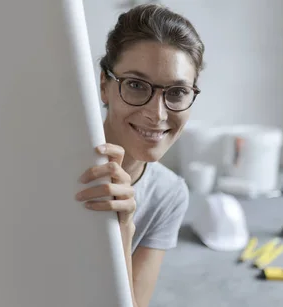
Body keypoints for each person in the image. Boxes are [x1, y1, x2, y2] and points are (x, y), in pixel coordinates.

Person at [74, 4, 204, 307]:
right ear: (104, 86)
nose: (156, 114)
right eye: (135, 85)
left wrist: (121, 228)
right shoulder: (55, 160)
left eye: (176, 92)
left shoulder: (168, 194)